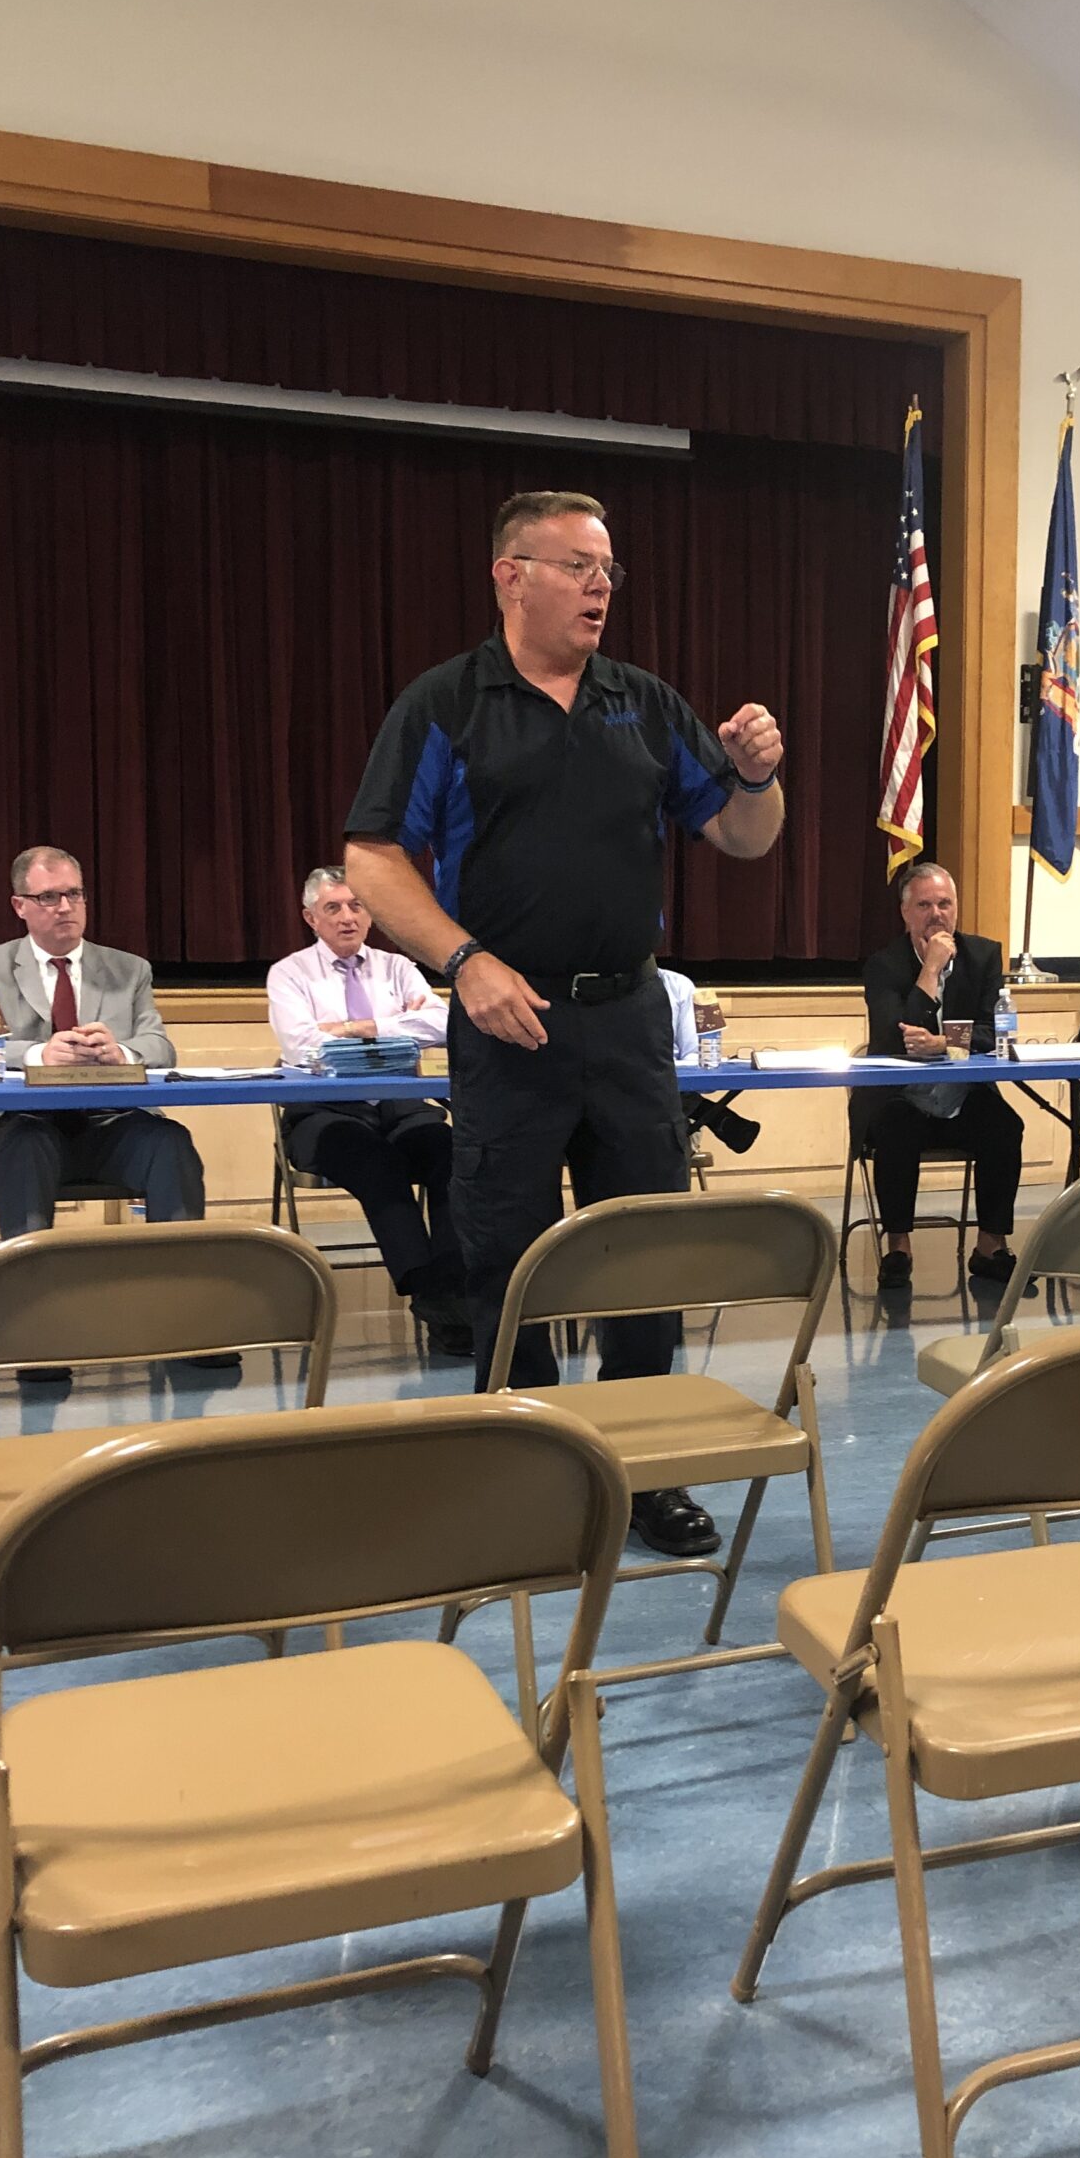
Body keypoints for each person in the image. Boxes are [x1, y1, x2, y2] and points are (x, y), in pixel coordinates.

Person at [344, 489, 785, 1560]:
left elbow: (740, 834)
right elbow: (372, 859)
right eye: (579, 566)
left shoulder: (643, 702)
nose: (600, 587)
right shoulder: (448, 703)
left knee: (644, 1254)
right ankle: (529, 1473)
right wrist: (462, 961)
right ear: (511, 574)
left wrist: (763, 774)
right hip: (506, 1019)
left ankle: (643, 1471)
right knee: (509, 1257)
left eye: (608, 570)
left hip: (628, 1018)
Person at [267, 867, 471, 1358]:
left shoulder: (397, 967)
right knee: (376, 1163)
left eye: (356, 906)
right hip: (323, 1112)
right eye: (333, 908)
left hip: (400, 1107)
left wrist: (359, 1027)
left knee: (449, 1152)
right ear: (310, 918)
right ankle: (430, 1291)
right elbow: (303, 1042)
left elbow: (442, 1023)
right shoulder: (289, 973)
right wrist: (398, 1026)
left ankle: (451, 1288)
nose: (347, 917)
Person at [0, 846, 208, 1242]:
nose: (64, 907)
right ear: (19, 906)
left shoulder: (130, 970)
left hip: (113, 1122)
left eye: (74, 894)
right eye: (48, 897)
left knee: (170, 1142)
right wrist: (40, 1055)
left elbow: (160, 1046)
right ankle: (31, 1291)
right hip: (30, 1123)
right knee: (23, 1147)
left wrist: (121, 1054)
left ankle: (174, 1283)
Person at [852, 862, 1022, 1291]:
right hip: (901, 1095)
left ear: (957, 908)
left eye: (945, 904)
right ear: (906, 914)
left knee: (1005, 1125)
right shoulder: (883, 965)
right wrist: (929, 970)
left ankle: (990, 1247)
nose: (937, 914)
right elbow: (895, 1038)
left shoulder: (983, 955)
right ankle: (898, 1248)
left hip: (961, 1093)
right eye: (924, 905)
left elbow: (994, 1031)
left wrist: (944, 1043)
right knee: (895, 1127)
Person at [660, 965, 760, 1160]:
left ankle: (708, 1112)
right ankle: (710, 1113)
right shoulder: (588, 986)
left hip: (668, 1108)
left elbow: (695, 1063)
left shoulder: (677, 986)